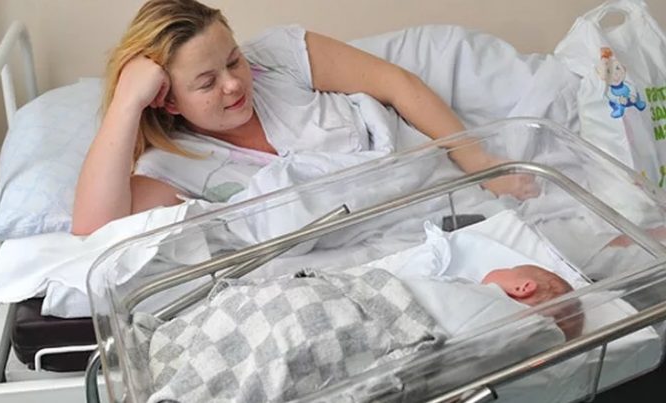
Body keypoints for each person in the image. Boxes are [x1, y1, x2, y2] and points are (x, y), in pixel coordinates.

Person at [72, 0, 536, 235]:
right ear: (168, 101)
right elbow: (92, 231)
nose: (233, 84)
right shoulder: (171, 166)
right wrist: (126, 103)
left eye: (233, 61)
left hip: (436, 192)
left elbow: (397, 84)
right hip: (373, 248)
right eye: (207, 82)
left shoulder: (278, 57)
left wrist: (481, 164)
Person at [140, 264, 583, 403]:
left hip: (351, 319)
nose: (489, 273)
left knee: (277, 337)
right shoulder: (464, 294)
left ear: (522, 289)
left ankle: (181, 364)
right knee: (273, 329)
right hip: (341, 300)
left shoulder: (516, 319)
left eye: (507, 270)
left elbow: (543, 340)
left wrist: (551, 330)